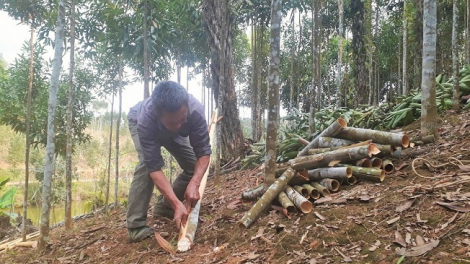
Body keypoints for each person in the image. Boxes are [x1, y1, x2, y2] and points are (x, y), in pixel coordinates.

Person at [126, 81, 211, 243]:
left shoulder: (196, 111)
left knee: (194, 165)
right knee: (146, 163)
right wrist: (177, 203)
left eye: (182, 120)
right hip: (140, 121)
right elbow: (154, 168)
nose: (178, 126)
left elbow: (203, 153)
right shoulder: (145, 120)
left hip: (167, 125)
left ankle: (164, 207)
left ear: (186, 107)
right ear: (159, 115)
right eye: (172, 122)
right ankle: (135, 226)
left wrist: (195, 182)